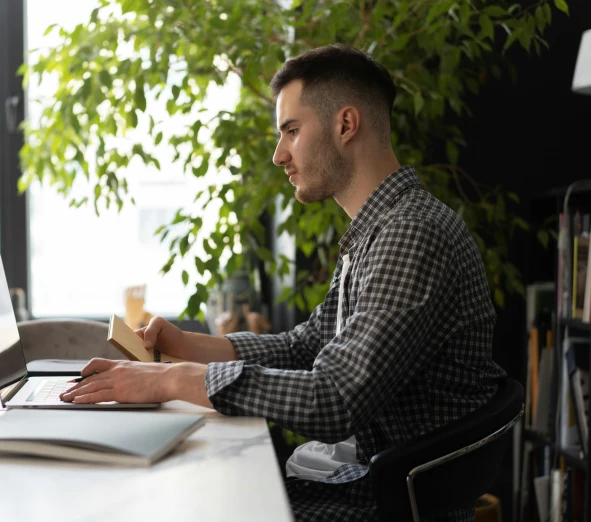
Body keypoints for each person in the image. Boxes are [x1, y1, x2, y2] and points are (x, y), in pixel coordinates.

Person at [60, 44, 505, 522]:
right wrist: (187, 344)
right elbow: (306, 346)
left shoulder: (411, 235)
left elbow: (335, 397)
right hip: (366, 483)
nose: (278, 155)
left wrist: (170, 378)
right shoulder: (376, 231)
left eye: (291, 131)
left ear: (345, 124)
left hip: (379, 504)